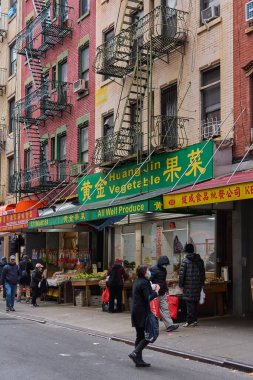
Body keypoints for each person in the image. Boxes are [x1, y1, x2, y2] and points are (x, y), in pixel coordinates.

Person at [128, 265, 160, 367]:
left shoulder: (136, 281)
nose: (149, 272)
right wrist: (156, 291)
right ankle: (135, 353)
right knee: (151, 334)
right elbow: (149, 297)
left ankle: (138, 360)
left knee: (140, 335)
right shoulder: (144, 283)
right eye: (147, 271)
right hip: (143, 313)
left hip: (135, 311)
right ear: (144, 273)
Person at [179, 243, 205, 327]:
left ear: (186, 251)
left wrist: (181, 285)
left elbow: (182, 275)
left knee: (189, 304)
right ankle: (195, 320)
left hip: (188, 285)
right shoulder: (200, 260)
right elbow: (202, 273)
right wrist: (202, 283)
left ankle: (189, 321)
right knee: (195, 303)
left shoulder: (185, 261)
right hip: (197, 285)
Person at [150, 256, 179, 332]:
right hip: (155, 293)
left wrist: (166, 289)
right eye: (164, 264)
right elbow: (149, 281)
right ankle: (151, 326)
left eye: (166, 264)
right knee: (153, 311)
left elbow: (163, 281)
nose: (165, 265)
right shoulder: (153, 269)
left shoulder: (164, 270)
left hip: (162, 292)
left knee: (165, 309)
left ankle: (170, 325)